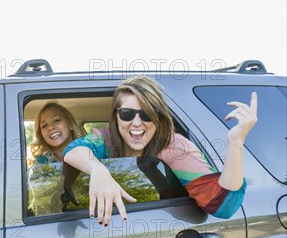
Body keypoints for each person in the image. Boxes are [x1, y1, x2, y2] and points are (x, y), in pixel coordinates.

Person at [63, 75, 257, 225]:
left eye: (147, 114)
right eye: (127, 114)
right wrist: (98, 170)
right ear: (116, 117)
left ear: (159, 118)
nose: (136, 123)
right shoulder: (106, 139)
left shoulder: (173, 146)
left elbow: (222, 205)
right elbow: (74, 150)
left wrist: (236, 142)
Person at [27, 102, 86, 215]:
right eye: (44, 125)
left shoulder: (90, 151)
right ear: (42, 134)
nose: (51, 127)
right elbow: (40, 204)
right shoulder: (41, 164)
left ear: (70, 125)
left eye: (57, 120)